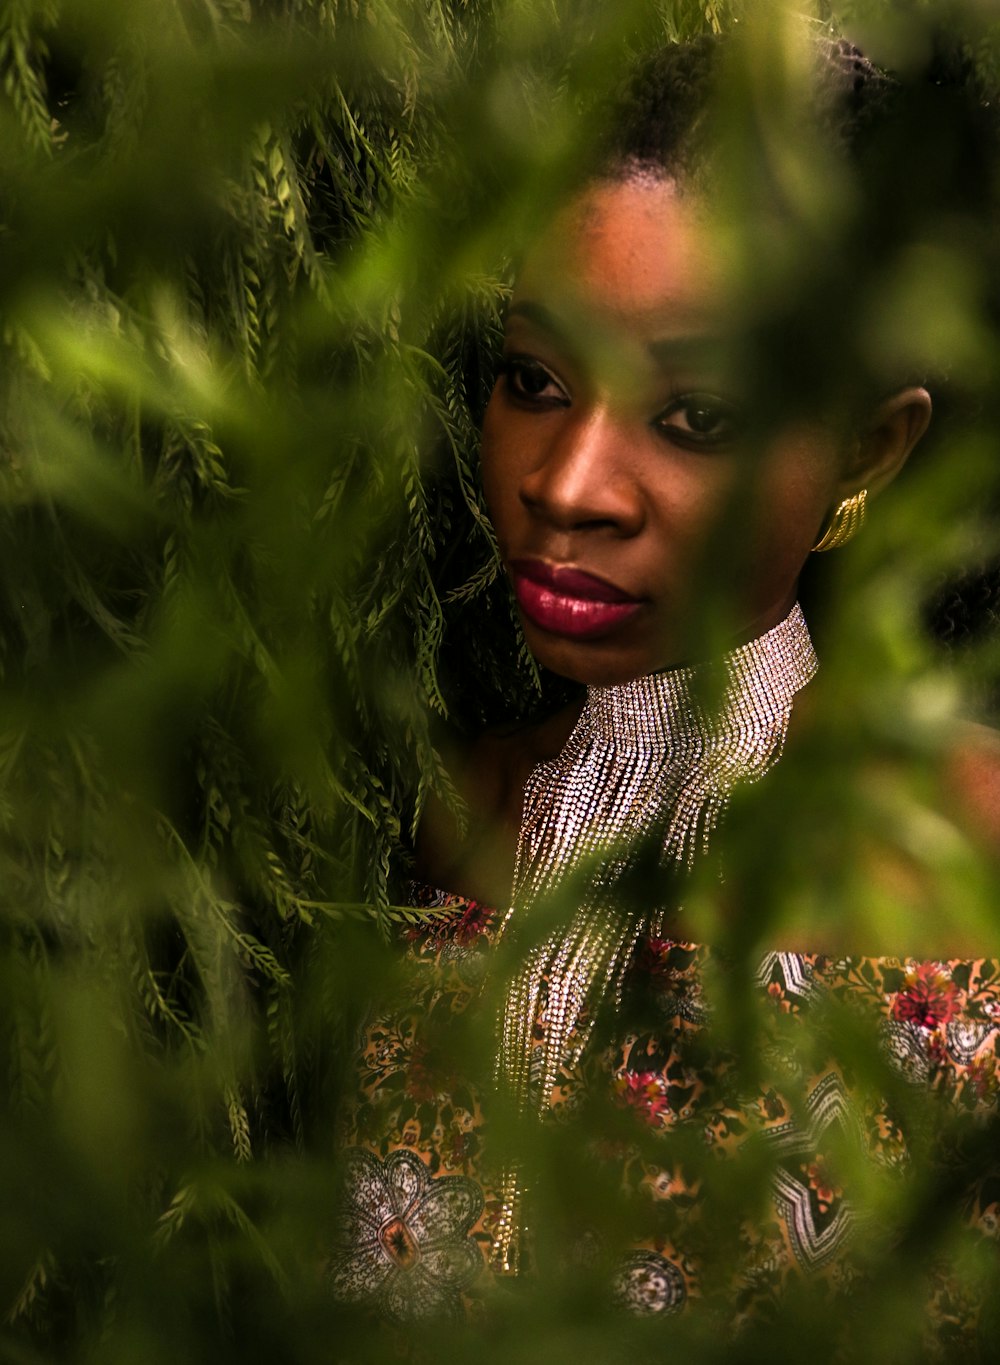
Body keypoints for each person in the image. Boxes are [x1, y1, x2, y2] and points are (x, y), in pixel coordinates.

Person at [327, 32, 1000, 1351]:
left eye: (695, 415)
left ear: (869, 448)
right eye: (534, 381)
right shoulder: (447, 821)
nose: (567, 483)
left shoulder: (968, 840)